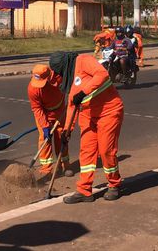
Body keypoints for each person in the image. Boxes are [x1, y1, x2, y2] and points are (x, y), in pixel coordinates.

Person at [49, 51, 124, 204]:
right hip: (88, 115)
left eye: (59, 72)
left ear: (65, 65)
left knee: (106, 151)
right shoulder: (70, 79)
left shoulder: (83, 60)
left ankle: (114, 184)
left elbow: (102, 75)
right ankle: (84, 190)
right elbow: (72, 105)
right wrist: (66, 131)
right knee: (86, 152)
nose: (59, 76)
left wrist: (84, 92)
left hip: (109, 111)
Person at [27, 64, 72, 177]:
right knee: (44, 139)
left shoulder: (59, 78)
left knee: (61, 137)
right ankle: (46, 169)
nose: (39, 85)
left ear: (49, 77)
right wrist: (45, 125)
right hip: (44, 113)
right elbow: (37, 108)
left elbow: (71, 86)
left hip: (59, 111)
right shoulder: (33, 88)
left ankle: (64, 165)